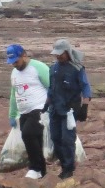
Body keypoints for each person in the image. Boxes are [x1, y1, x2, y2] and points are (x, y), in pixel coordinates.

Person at [5, 44, 50, 179]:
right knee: (34, 139)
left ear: (24, 56)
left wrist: (54, 107)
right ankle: (41, 171)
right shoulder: (14, 73)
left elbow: (52, 86)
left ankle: (35, 168)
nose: (14, 65)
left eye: (16, 61)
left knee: (28, 134)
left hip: (40, 109)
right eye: (11, 62)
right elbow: (14, 94)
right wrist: (12, 114)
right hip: (23, 112)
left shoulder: (38, 68)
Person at [47, 39, 87, 180]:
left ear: (67, 52)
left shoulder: (77, 69)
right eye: (56, 54)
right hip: (54, 109)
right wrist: (46, 104)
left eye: (61, 54)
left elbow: (86, 87)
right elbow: (51, 88)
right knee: (55, 137)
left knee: (67, 138)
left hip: (70, 110)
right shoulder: (53, 68)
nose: (58, 56)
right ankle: (63, 164)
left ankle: (69, 168)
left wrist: (85, 106)